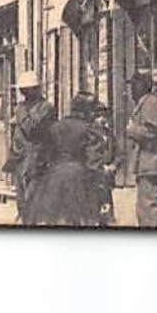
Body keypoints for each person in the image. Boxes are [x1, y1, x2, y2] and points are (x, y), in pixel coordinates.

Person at [27, 93, 102, 227]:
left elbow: (42, 155)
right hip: (79, 179)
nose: (94, 114)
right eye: (92, 111)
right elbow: (93, 162)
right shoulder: (89, 129)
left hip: (53, 180)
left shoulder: (55, 127)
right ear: (86, 111)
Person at [4, 70, 55, 226]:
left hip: (36, 159)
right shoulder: (22, 107)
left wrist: (20, 114)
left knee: (32, 198)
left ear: (36, 89)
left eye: (27, 89)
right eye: (22, 90)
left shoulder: (45, 107)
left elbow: (31, 128)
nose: (24, 93)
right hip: (20, 159)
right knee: (21, 200)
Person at [126, 72, 157, 228]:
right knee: (146, 209)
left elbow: (153, 132)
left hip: (151, 165)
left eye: (133, 86)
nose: (131, 91)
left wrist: (132, 130)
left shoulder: (150, 103)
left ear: (141, 87)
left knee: (149, 209)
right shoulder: (146, 102)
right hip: (148, 165)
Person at [89, 101, 117, 227]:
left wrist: (114, 166)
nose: (102, 119)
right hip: (94, 175)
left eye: (104, 116)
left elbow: (118, 153)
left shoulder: (109, 135)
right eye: (98, 116)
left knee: (107, 206)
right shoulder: (89, 135)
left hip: (107, 177)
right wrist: (99, 167)